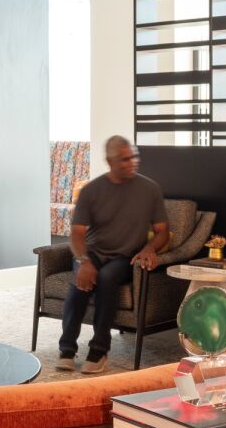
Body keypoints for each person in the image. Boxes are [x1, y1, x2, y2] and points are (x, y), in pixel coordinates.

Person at [58, 136, 170, 374]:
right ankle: (67, 348)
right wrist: (84, 261)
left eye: (134, 156)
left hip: (124, 256)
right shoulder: (92, 190)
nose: (133, 162)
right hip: (92, 252)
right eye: (125, 159)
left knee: (107, 278)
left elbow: (162, 232)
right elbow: (77, 234)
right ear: (110, 161)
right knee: (80, 285)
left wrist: (149, 248)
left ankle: (99, 351)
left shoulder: (150, 189)